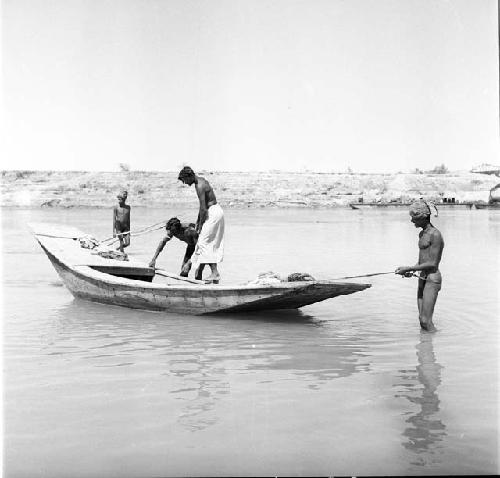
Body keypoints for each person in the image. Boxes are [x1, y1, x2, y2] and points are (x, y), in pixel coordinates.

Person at [395, 200, 444, 332]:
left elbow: (433, 263)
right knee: (421, 320)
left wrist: (409, 268)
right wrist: (412, 270)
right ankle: (425, 349)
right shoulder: (422, 234)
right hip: (422, 276)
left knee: (426, 321)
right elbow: (422, 260)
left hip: (432, 278)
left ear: (422, 217)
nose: (412, 221)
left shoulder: (436, 234)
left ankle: (438, 345)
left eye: (414, 218)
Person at [177, 166, 224, 284]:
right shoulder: (201, 180)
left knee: (203, 242)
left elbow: (203, 209)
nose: (186, 183)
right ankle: (202, 272)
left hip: (213, 212)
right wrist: (198, 222)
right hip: (215, 211)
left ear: (189, 176)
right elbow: (202, 208)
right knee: (206, 242)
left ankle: (215, 273)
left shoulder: (199, 186)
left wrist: (200, 225)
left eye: (185, 180)